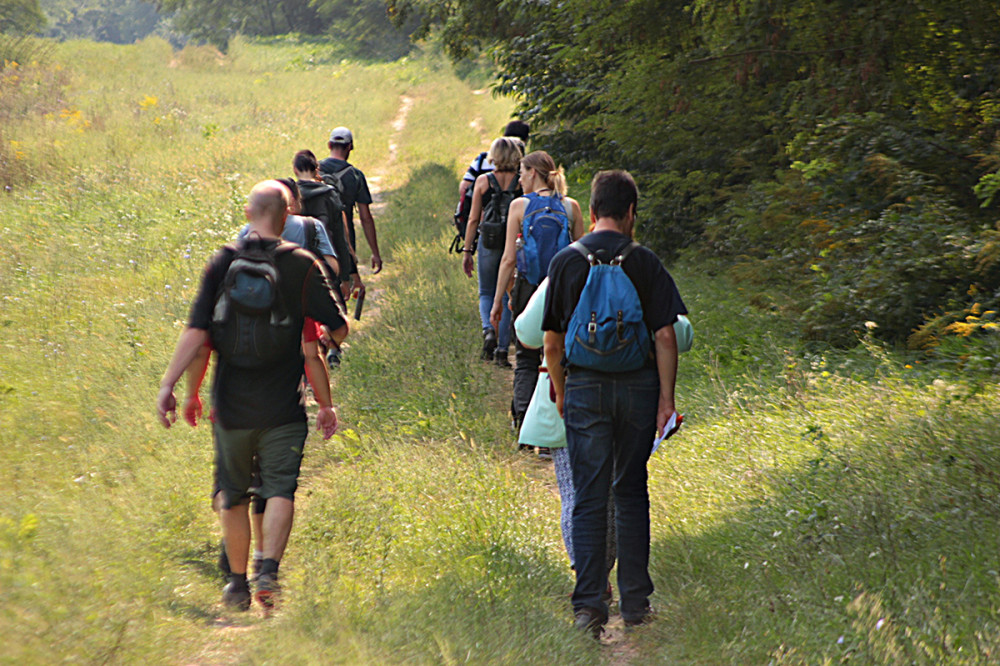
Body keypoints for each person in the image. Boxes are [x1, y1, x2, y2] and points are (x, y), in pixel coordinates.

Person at [157, 180, 349, 612]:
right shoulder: (302, 264)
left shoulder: (222, 262)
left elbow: (198, 334)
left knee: (232, 493)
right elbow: (337, 327)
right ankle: (269, 573)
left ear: (249, 214)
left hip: (230, 406)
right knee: (280, 488)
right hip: (283, 406)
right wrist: (329, 343)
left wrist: (171, 386)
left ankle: (237, 585)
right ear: (287, 217)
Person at [542, 170, 686, 637]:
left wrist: (563, 392)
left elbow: (551, 341)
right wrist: (665, 398)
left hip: (585, 388)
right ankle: (637, 604)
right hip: (638, 387)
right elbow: (666, 335)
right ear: (630, 213)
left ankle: (588, 607)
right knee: (630, 490)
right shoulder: (644, 262)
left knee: (588, 494)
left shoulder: (567, 260)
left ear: (594, 207)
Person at [490, 151, 583, 441]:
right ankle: (560, 422)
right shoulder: (571, 207)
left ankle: (522, 423)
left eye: (521, 172)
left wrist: (497, 303)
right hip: (563, 289)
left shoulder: (519, 206)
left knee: (527, 356)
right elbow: (582, 255)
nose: (519, 178)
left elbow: (508, 260)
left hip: (528, 289)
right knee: (560, 356)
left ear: (533, 173)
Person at [460, 137, 525, 365]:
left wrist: (468, 249)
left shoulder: (482, 181)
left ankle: (488, 330)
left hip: (488, 240)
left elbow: (473, 219)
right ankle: (501, 351)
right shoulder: (521, 182)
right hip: (514, 243)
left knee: (486, 292)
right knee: (509, 295)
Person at [319, 126, 382, 277]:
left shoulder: (313, 170)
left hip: (316, 236)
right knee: (344, 287)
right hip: (344, 240)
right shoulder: (356, 176)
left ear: (329, 145)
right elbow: (365, 218)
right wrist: (375, 253)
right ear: (350, 147)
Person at [293, 150, 357, 297]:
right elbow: (341, 239)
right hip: (328, 265)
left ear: (295, 170)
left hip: (298, 268)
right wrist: (345, 278)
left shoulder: (289, 196)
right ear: (317, 169)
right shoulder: (329, 195)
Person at [454, 120, 530, 239]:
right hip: (516, 232)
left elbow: (464, 187)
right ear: (525, 140)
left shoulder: (482, 159)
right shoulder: (526, 164)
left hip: (486, 228)